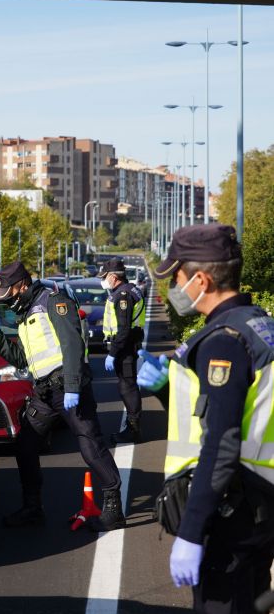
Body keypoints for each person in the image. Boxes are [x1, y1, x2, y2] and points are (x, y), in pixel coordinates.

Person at [137, 223, 274, 613]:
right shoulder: (259, 326)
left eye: (176, 277)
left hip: (233, 508)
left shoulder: (223, 342)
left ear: (201, 279)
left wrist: (192, 531)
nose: (173, 287)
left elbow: (222, 440)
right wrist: (167, 389)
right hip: (260, 500)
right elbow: (237, 410)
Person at [0, 260, 124, 531]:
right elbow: (24, 359)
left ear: (22, 285)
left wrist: (72, 386)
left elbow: (73, 343)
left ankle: (113, 507)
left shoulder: (53, 302)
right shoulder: (25, 315)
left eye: (9, 293)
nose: (8, 300)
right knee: (25, 445)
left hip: (69, 388)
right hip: (44, 392)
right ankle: (33, 508)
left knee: (90, 447)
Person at [98, 257, 146, 443]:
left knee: (128, 388)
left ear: (113, 277)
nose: (103, 280)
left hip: (124, 348)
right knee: (127, 387)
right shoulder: (129, 289)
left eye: (105, 276)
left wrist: (112, 353)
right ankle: (132, 427)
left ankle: (133, 430)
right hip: (127, 346)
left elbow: (124, 328)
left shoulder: (123, 295)